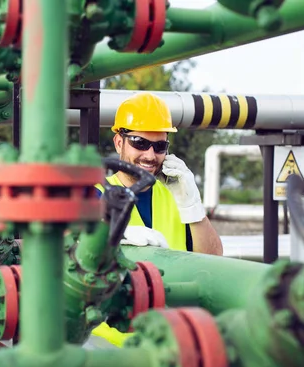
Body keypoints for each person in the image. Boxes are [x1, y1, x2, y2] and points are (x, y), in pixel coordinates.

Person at [91, 92, 223, 347]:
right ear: (119, 143)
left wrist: (192, 206)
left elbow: (213, 261)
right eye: (140, 143)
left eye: (159, 146)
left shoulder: (176, 194)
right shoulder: (96, 193)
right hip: (107, 347)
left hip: (168, 343)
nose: (150, 155)